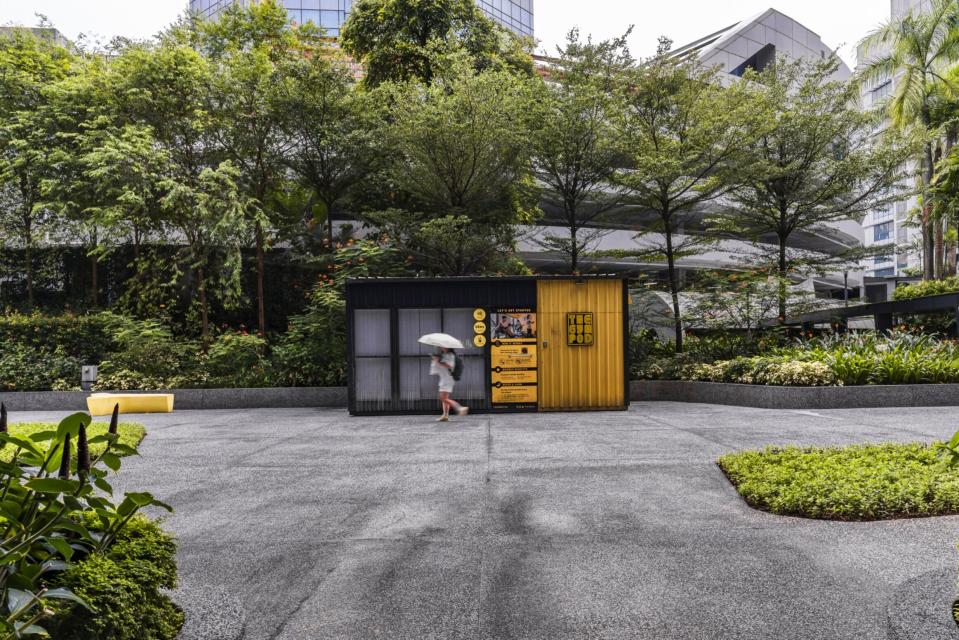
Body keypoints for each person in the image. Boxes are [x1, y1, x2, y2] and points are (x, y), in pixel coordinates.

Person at [430, 348, 468, 422]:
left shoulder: (450, 355)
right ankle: (445, 415)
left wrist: (438, 361)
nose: (441, 347)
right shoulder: (445, 355)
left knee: (442, 398)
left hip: (447, 379)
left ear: (448, 347)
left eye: (443, 346)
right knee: (445, 398)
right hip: (445, 378)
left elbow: (449, 365)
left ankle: (460, 408)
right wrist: (436, 359)